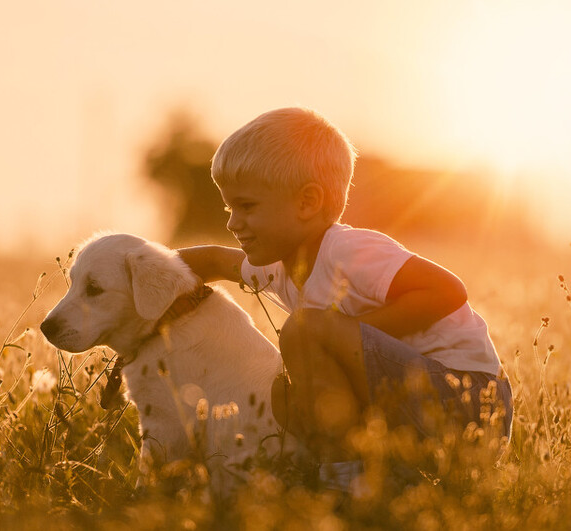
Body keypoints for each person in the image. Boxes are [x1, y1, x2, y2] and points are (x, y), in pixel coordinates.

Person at [177, 107, 512, 493]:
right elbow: (216, 260)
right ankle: (378, 479)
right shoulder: (277, 265)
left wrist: (348, 335)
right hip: (417, 408)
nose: (233, 222)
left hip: (471, 403)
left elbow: (448, 290)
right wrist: (138, 271)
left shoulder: (348, 251)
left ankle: (343, 486)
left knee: (305, 332)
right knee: (284, 395)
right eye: (228, 207)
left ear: (307, 203)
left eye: (247, 206)